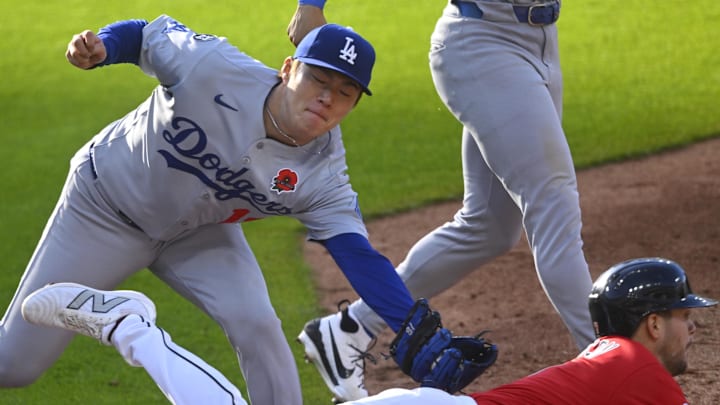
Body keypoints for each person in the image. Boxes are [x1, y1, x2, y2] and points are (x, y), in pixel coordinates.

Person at [0, 15, 447, 405]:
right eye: (319, 80)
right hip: (103, 209)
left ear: (354, 104)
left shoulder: (324, 173)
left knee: (257, 324)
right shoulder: (212, 67)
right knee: (12, 367)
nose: (328, 98)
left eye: (345, 92)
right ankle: (117, 317)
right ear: (288, 69)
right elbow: (144, 38)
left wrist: (411, 324)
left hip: (197, 232)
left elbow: (357, 255)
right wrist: (102, 49)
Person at [288, 0, 596, 400]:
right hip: (484, 43)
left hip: (539, 40)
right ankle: (618, 363)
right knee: (552, 204)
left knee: (489, 226)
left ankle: (351, 328)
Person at [21, 257, 716, 404]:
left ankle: (131, 327)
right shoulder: (640, 375)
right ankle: (131, 325)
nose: (693, 329)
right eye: (686, 316)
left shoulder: (609, 358)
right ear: (651, 322)